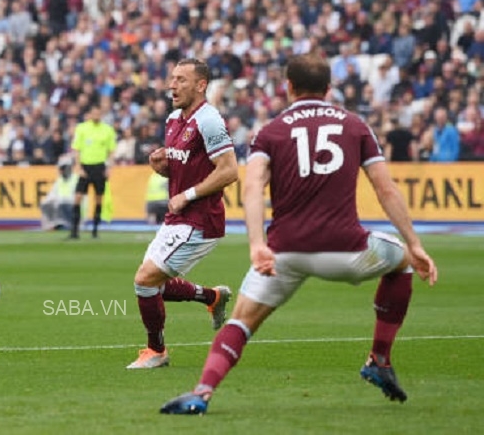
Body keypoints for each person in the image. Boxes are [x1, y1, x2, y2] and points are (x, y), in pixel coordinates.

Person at [160, 53, 437, 414]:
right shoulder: (355, 126)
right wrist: (415, 245)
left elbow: (253, 188)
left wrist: (258, 244)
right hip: (347, 251)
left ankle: (202, 393)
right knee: (400, 261)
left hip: (283, 253)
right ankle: (379, 359)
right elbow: (386, 190)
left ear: (288, 86)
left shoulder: (270, 132)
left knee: (241, 321)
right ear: (328, 87)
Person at [127, 58, 238, 369]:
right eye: (172, 78)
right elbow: (183, 170)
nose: (172, 85)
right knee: (152, 284)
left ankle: (156, 352)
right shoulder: (174, 119)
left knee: (145, 280)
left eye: (181, 80)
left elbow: (229, 171)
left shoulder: (209, 120)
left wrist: (187, 195)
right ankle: (211, 297)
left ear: (201, 85)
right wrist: (160, 167)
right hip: (179, 218)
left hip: (201, 219)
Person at [68, 105, 117, 239]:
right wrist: (78, 167)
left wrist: (108, 168)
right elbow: (76, 149)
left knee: (99, 199)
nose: (96, 115)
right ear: (90, 114)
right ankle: (74, 231)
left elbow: (111, 151)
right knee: (77, 197)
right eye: (94, 113)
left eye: (98, 113)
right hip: (85, 167)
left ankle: (95, 231)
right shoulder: (82, 128)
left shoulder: (107, 130)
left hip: (99, 167)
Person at [40, 157, 79, 230]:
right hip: (62, 207)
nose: (61, 171)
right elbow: (51, 195)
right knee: (46, 204)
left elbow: (74, 199)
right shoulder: (59, 181)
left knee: (62, 204)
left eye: (63, 169)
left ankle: (70, 224)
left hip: (73, 209)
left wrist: (58, 200)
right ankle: (53, 224)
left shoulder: (76, 179)